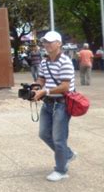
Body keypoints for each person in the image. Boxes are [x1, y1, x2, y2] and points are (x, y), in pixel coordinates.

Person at [31, 31, 77, 182]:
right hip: (48, 103)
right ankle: (67, 155)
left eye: (50, 42)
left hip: (62, 104)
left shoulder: (65, 62)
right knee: (44, 134)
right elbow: (41, 78)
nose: (46, 44)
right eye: (44, 42)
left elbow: (65, 86)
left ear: (59, 43)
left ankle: (61, 170)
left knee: (59, 139)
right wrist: (36, 88)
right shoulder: (44, 62)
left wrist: (46, 91)